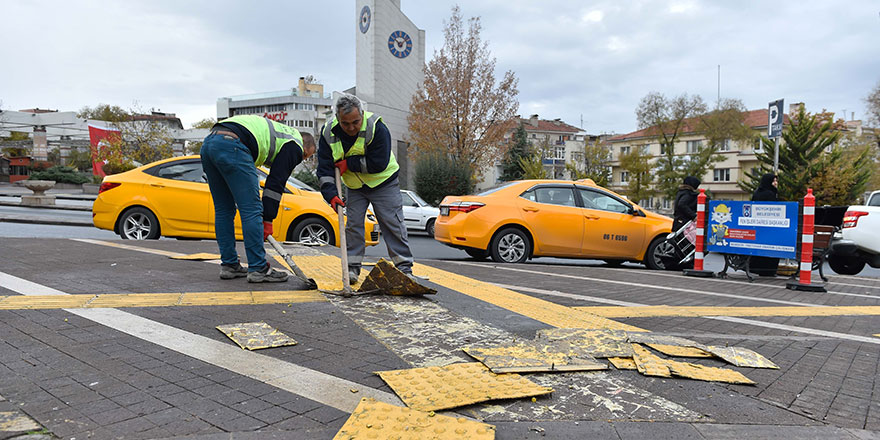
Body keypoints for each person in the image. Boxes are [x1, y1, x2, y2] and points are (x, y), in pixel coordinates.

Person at [200, 115, 316, 283]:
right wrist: (267, 219)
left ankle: (229, 265)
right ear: (305, 146)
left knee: (224, 210)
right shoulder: (295, 145)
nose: (300, 160)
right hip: (234, 144)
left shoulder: (280, 135)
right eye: (305, 156)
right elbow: (275, 183)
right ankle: (258, 268)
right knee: (252, 210)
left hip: (210, 143)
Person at [316, 94, 414, 283]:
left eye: (355, 122)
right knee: (353, 226)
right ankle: (352, 269)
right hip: (355, 187)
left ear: (361, 114)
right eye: (346, 124)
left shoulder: (376, 127)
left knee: (392, 223)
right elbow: (324, 169)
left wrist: (349, 164)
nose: (352, 128)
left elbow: (379, 162)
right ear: (337, 118)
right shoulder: (328, 133)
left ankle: (404, 269)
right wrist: (331, 195)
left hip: (384, 182)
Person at [750, 173, 779, 276]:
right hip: (769, 227)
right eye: (773, 181)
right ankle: (768, 270)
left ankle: (755, 268)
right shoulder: (770, 194)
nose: (775, 183)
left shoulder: (757, 192)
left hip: (757, 227)